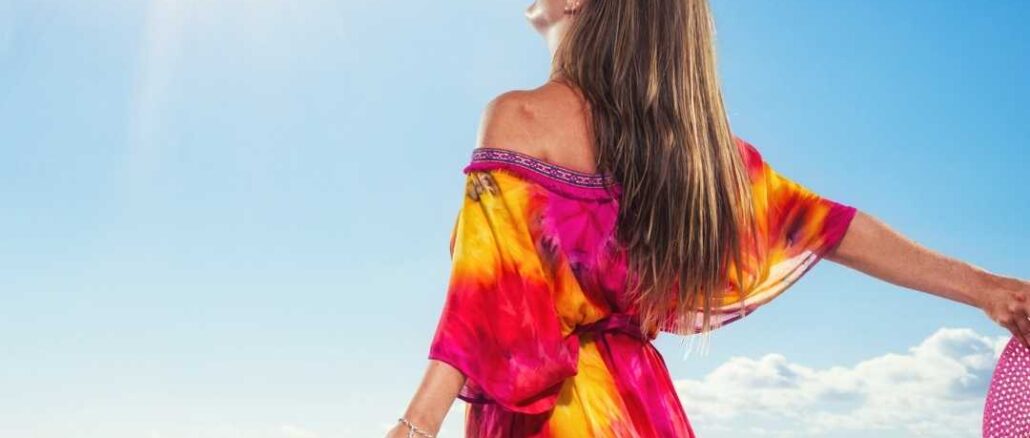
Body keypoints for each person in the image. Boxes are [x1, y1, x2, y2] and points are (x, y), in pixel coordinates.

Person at [387, 1, 1030, 437]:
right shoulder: (695, 154)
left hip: (550, 417)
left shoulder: (518, 117)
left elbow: (485, 302)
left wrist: (415, 426)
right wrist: (990, 290)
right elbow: (830, 227)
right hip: (642, 404)